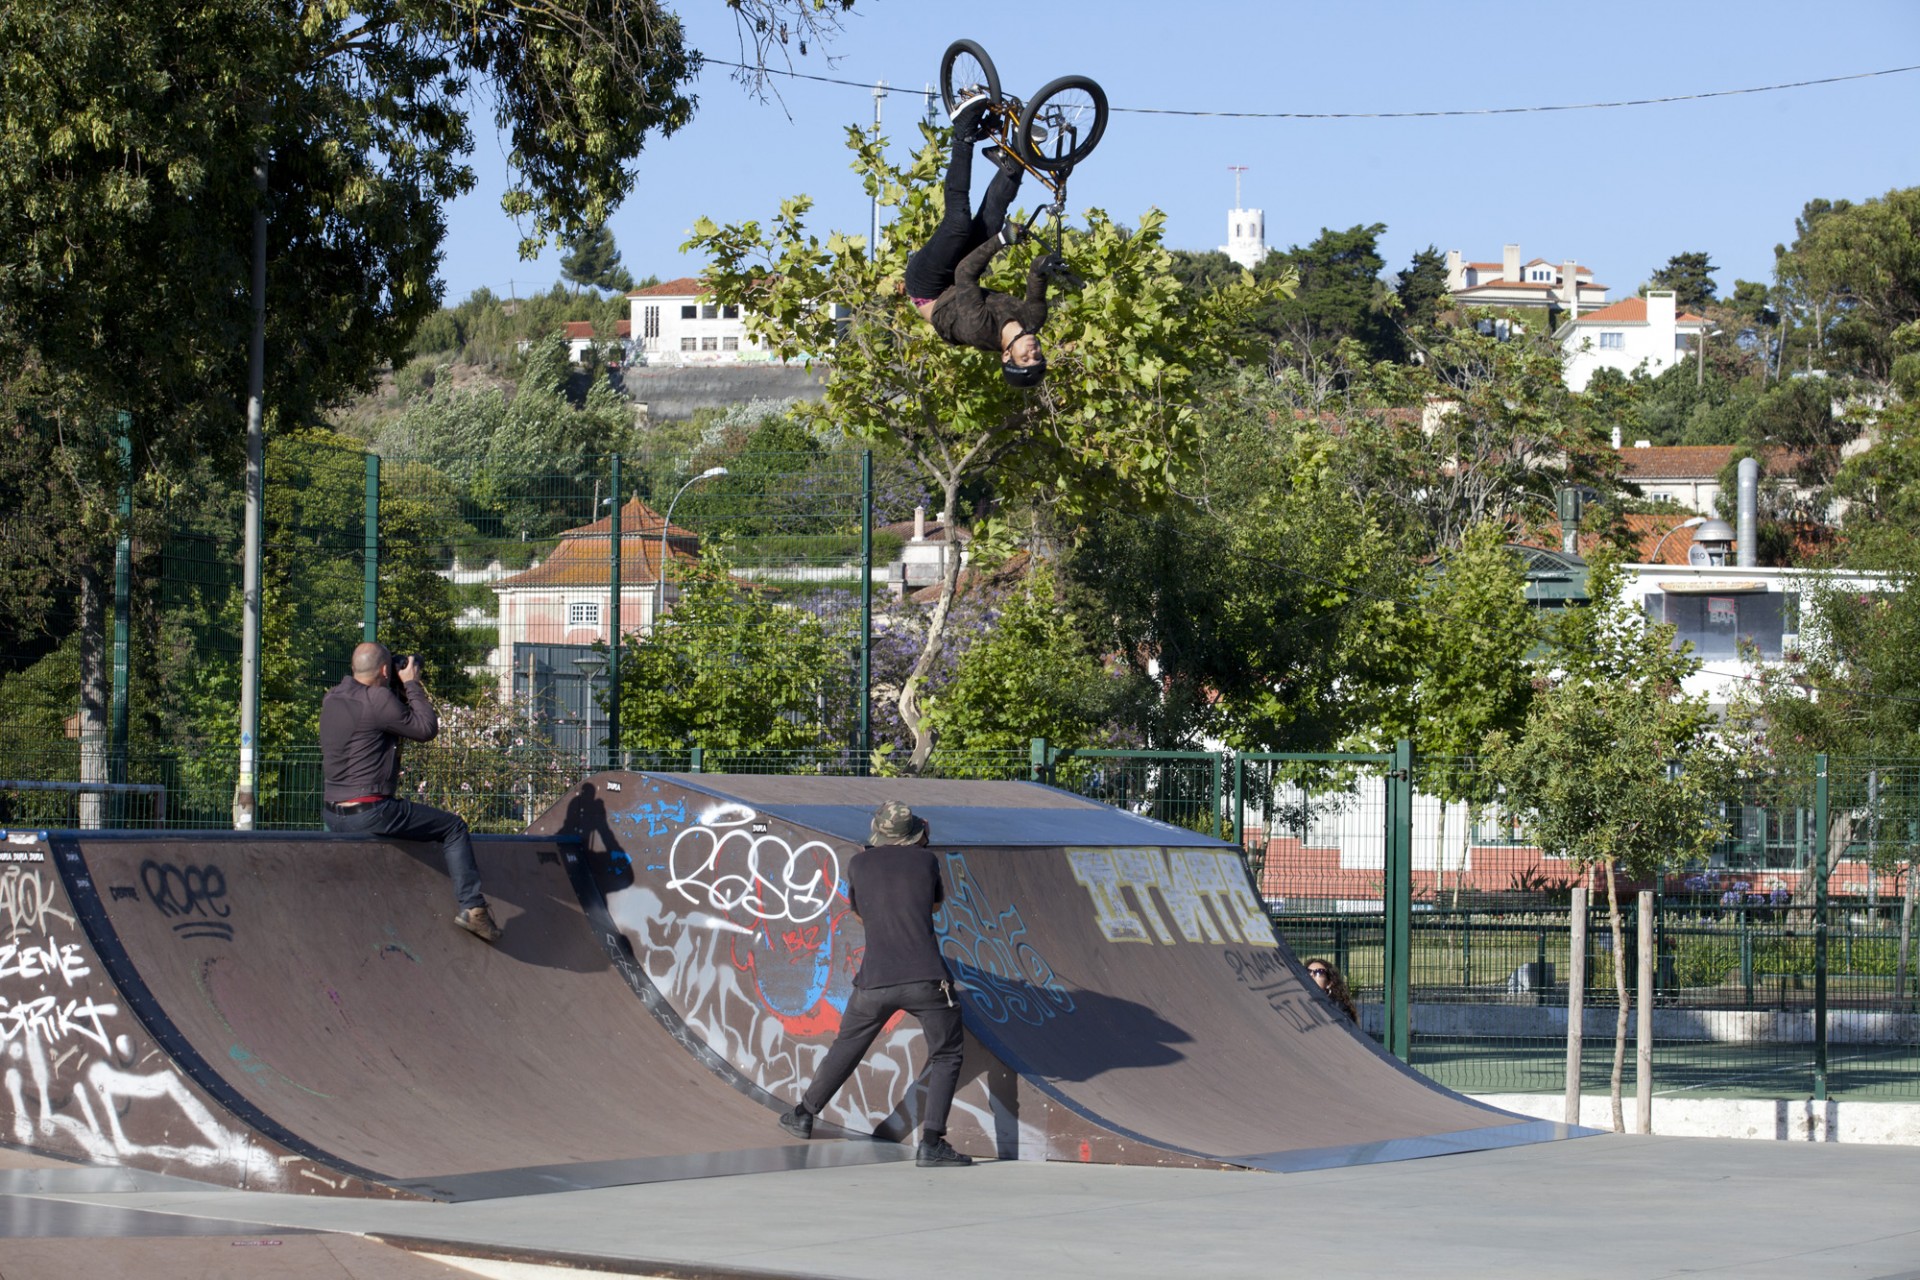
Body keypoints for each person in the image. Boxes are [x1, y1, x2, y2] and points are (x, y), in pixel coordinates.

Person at [778, 801, 972, 1168]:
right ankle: (931, 1144)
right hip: (926, 980)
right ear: (916, 835)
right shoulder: (926, 862)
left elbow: (858, 911)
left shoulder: (859, 863)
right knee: (947, 1054)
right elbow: (934, 907)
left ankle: (803, 1114)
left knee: (846, 1047)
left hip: (874, 981)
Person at [318, 642, 502, 943]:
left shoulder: (332, 698)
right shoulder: (378, 699)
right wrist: (412, 684)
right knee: (454, 827)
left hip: (332, 814)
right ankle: (474, 909)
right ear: (384, 670)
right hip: (371, 813)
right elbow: (425, 728)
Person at [905, 92, 1056, 388]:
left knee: (959, 223)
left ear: (1006, 356)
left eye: (1025, 359)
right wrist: (1050, 264)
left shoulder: (978, 329)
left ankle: (963, 133)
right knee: (992, 218)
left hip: (929, 288)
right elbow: (1036, 276)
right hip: (959, 283)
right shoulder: (1033, 320)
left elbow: (964, 272)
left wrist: (1002, 240)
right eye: (1038, 357)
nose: (1033, 352)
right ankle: (1018, 148)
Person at [1305, 957, 1357, 1024]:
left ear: (1329, 983)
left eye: (1319, 972)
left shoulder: (1339, 1008)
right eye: (1308, 971)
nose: (1311, 975)